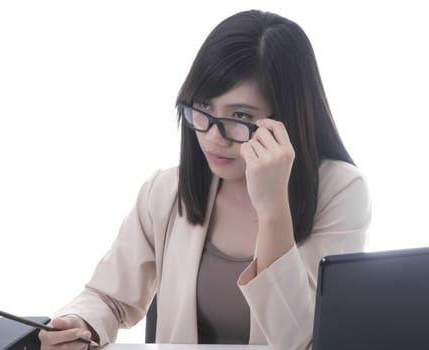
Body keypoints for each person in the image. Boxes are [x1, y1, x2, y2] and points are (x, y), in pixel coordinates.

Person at [39, 9, 371, 350]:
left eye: (240, 116)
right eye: (203, 108)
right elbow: (108, 298)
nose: (213, 137)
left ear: (287, 118)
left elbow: (303, 341)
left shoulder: (341, 190)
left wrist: (273, 209)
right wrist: (80, 324)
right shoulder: (166, 191)